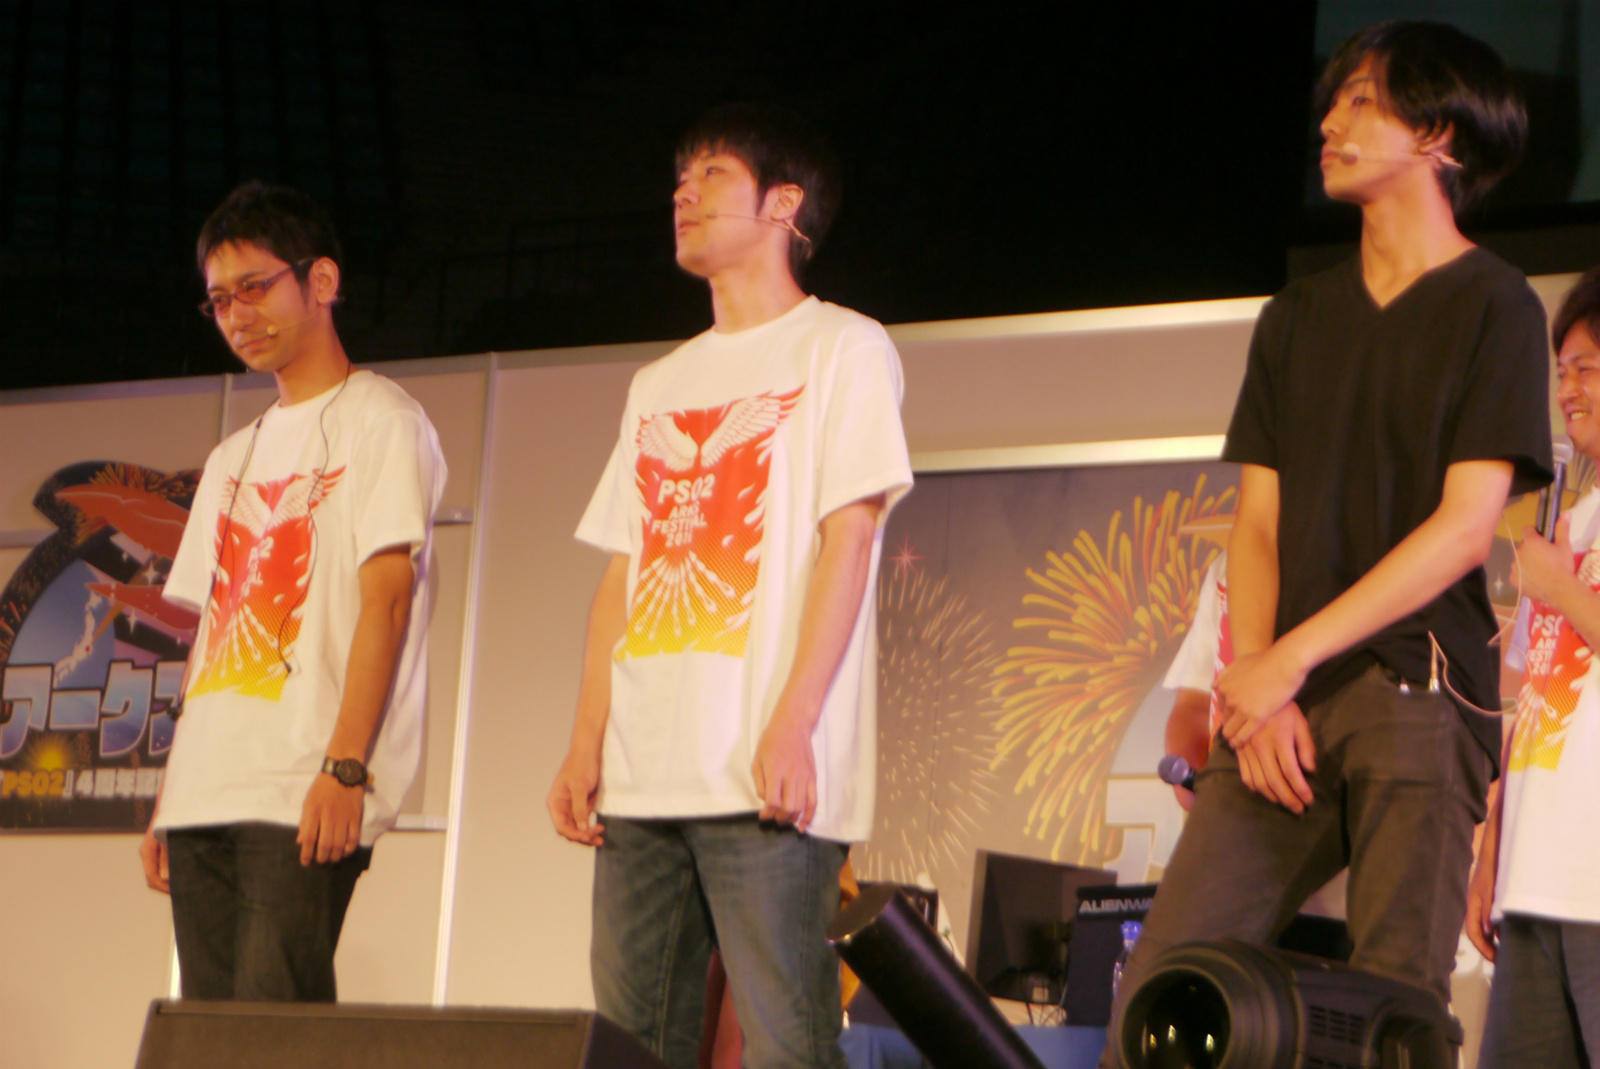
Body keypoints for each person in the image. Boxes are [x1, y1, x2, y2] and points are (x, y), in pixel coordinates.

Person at [1102, 21, 1551, 1064]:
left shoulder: (1495, 304)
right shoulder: (1295, 317)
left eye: (1363, 101)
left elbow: (1463, 528)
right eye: (1334, 100)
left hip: (1418, 691)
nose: (1331, 122)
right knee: (1167, 980)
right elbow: (1256, 521)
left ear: (1438, 135)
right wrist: (1258, 679)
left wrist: (1285, 661)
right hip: (1280, 702)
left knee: (1395, 1011)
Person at [547, 103, 912, 1069]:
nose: (684, 193)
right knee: (634, 1045)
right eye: (680, 178)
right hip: (641, 778)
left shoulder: (844, 347)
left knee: (789, 1043)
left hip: (762, 774)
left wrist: (795, 720)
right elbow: (623, 572)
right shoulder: (658, 382)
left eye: (711, 173)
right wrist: (586, 741)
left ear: (784, 204)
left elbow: (850, 538)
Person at [138, 181, 447, 1001]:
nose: (237, 314)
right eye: (219, 300)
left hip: (304, 780)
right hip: (207, 786)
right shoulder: (231, 455)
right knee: (209, 1038)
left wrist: (345, 767)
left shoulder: (382, 419)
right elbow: (211, 636)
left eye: (254, 287)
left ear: (321, 280)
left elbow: (388, 601)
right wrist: (171, 793)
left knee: (278, 1023)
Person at [1468, 267, 1600, 1069]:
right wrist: (1493, 850)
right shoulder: (1567, 526)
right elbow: (1531, 709)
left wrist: (1564, 590)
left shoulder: (1558, 562)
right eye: (1561, 371)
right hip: (1533, 880)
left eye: (1586, 367)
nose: (1567, 389)